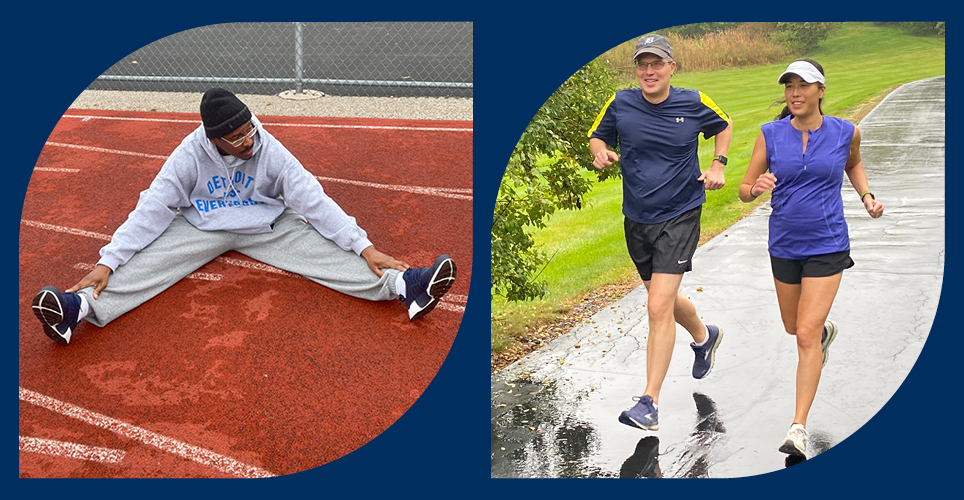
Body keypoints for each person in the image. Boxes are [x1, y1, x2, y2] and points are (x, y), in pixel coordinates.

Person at [31, 88, 457, 345]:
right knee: (147, 264)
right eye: (237, 139)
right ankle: (76, 310)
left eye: (250, 130)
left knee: (327, 253)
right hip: (202, 223)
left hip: (266, 223)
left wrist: (363, 245)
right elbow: (153, 207)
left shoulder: (268, 146)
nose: (249, 142)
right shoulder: (187, 155)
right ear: (213, 139)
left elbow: (311, 197)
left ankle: (406, 286)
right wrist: (108, 260)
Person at [738, 59, 883, 457]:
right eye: (789, 87)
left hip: (827, 243)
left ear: (821, 90)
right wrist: (757, 187)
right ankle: (821, 334)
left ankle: (798, 427)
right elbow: (744, 188)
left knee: (803, 335)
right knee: (794, 326)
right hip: (784, 243)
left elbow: (852, 164)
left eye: (804, 86)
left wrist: (866, 196)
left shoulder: (845, 132)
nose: (795, 93)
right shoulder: (770, 135)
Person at [587, 34, 733, 431]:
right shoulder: (621, 102)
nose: (649, 71)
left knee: (656, 307)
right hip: (637, 217)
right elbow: (597, 135)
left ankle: (648, 402)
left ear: (672, 67)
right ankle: (705, 336)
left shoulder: (694, 101)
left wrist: (718, 164)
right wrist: (599, 150)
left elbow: (725, 124)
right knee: (660, 298)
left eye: (657, 64)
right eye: (642, 64)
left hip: (680, 213)